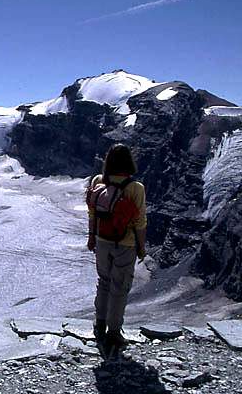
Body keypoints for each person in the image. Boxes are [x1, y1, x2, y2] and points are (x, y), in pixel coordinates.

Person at [86, 143, 147, 352]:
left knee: (103, 282)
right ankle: (113, 333)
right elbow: (140, 222)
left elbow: (92, 213)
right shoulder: (135, 188)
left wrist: (91, 237)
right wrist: (141, 247)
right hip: (125, 244)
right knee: (119, 288)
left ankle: (99, 324)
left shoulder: (98, 181)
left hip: (102, 240)